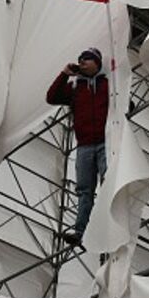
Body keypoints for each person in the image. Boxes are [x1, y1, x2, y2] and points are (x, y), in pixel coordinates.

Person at [46, 48, 109, 245]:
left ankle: (108, 227)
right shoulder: (75, 87)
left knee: (108, 183)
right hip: (84, 145)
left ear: (97, 63)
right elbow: (52, 97)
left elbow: (125, 102)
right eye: (80, 60)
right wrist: (65, 74)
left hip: (105, 142)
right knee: (84, 190)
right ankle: (80, 232)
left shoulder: (108, 84)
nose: (82, 62)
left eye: (87, 59)